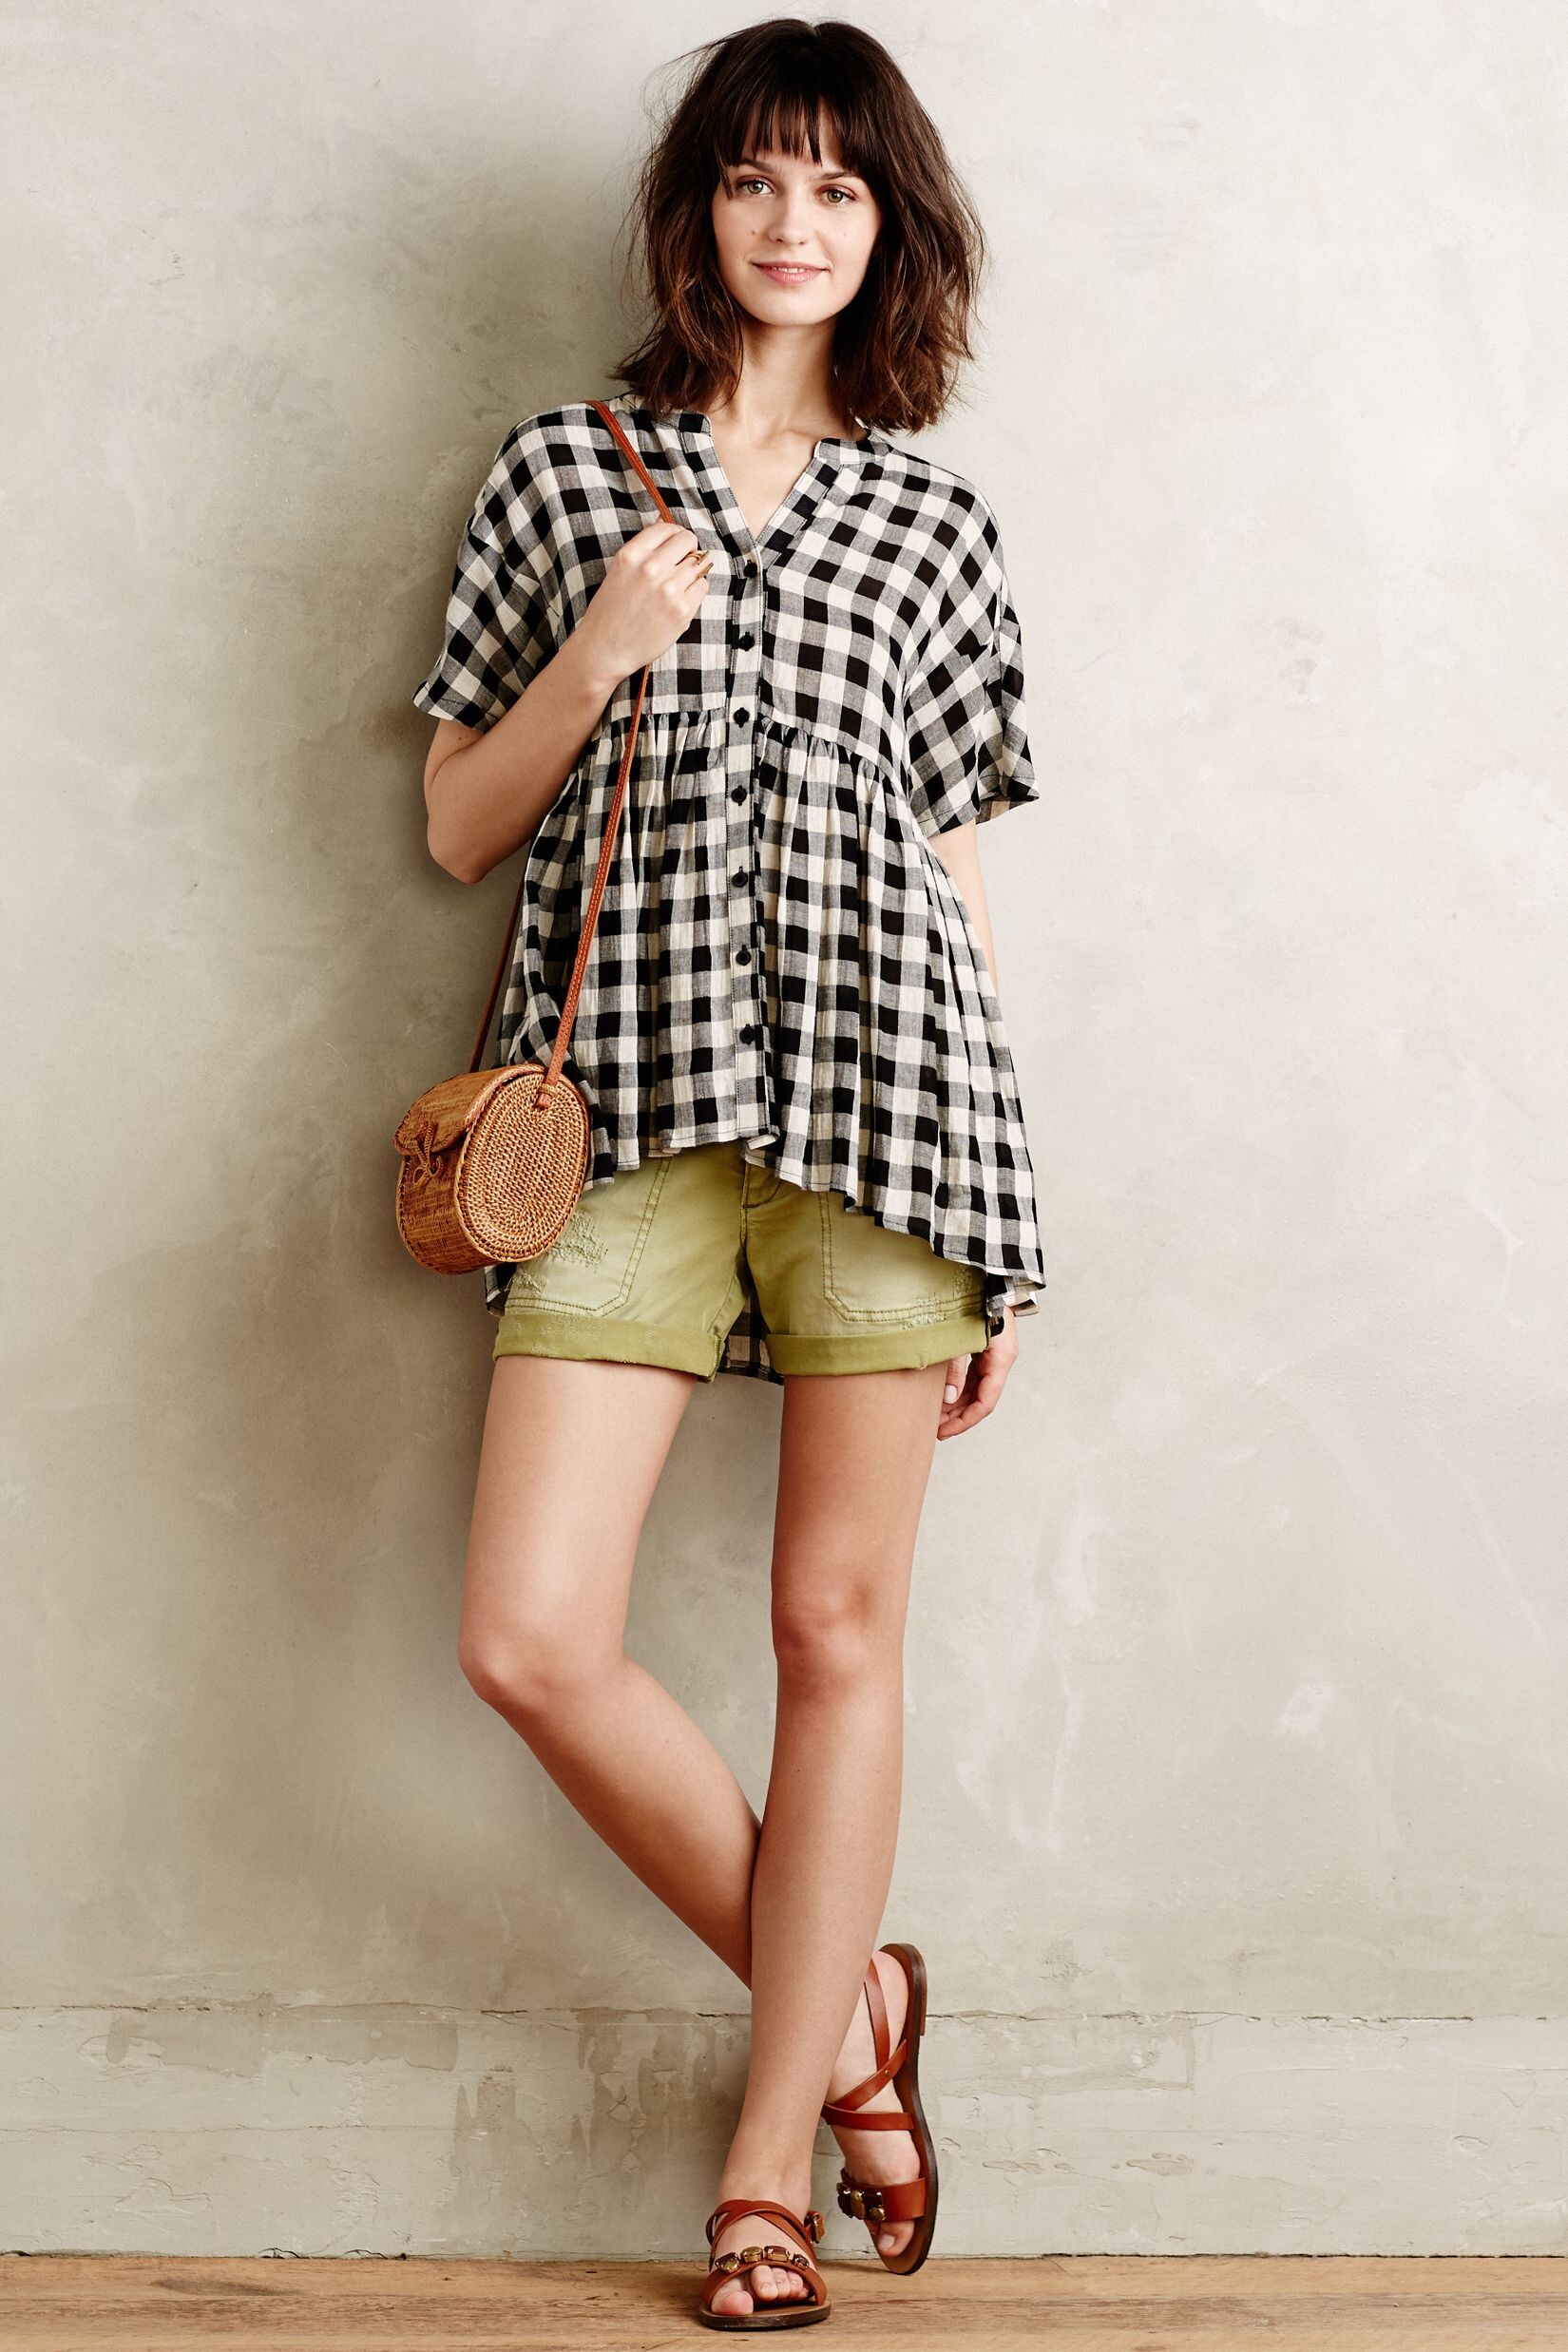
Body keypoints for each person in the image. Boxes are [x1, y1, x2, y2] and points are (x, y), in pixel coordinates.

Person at [411, 18, 1046, 2332]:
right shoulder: (561, 474)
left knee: (833, 1636)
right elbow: (457, 825)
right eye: (757, 178)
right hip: (622, 1118)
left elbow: (956, 877)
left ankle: (767, 2169)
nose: (795, 221)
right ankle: (856, 2001)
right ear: (698, 212)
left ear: (891, 231)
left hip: (894, 1121)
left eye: (839, 188)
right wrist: (600, 649)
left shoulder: (934, 522)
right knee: (528, 1634)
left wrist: (1003, 1232)